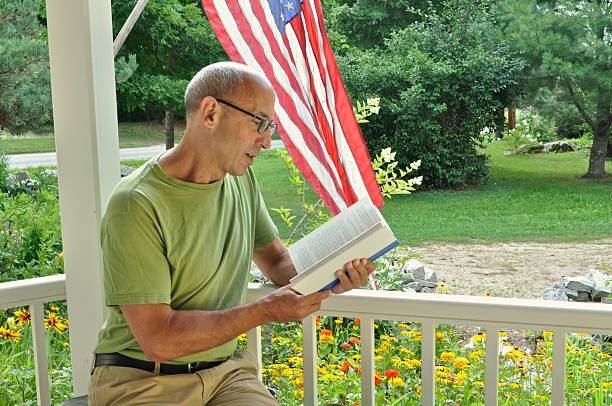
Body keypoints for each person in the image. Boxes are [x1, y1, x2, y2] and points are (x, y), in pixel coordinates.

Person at [88, 61, 376, 405]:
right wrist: (265, 310)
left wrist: (334, 273)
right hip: (141, 380)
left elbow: (276, 261)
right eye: (260, 123)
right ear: (211, 113)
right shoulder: (136, 204)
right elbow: (158, 339)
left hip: (225, 375)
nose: (268, 142)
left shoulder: (241, 181)